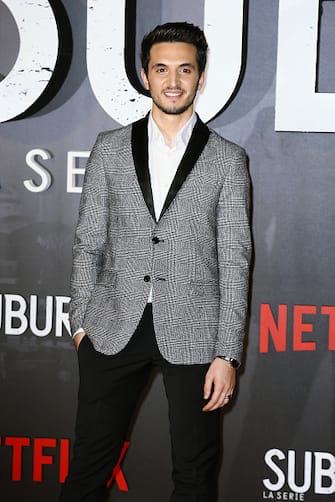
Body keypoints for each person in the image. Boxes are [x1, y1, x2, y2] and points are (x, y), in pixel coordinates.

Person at [60, 21, 252, 502]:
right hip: (110, 325)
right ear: (145, 76)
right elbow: (88, 242)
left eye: (184, 70)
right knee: (87, 468)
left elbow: (235, 259)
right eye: (161, 69)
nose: (172, 81)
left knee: (194, 474)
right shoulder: (109, 148)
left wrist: (227, 354)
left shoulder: (229, 160)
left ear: (200, 77)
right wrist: (80, 322)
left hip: (195, 332)